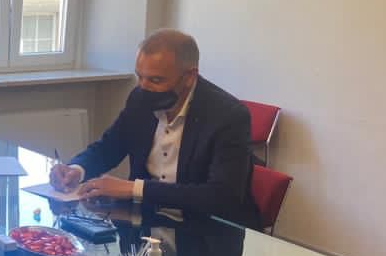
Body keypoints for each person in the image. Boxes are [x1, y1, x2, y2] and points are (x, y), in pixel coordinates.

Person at [49, 29, 261, 227]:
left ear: (189, 77)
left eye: (156, 80)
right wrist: (77, 169)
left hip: (205, 231)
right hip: (145, 221)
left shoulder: (228, 116)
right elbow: (109, 146)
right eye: (140, 76)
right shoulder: (139, 98)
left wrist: (135, 189)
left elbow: (221, 196)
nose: (143, 87)